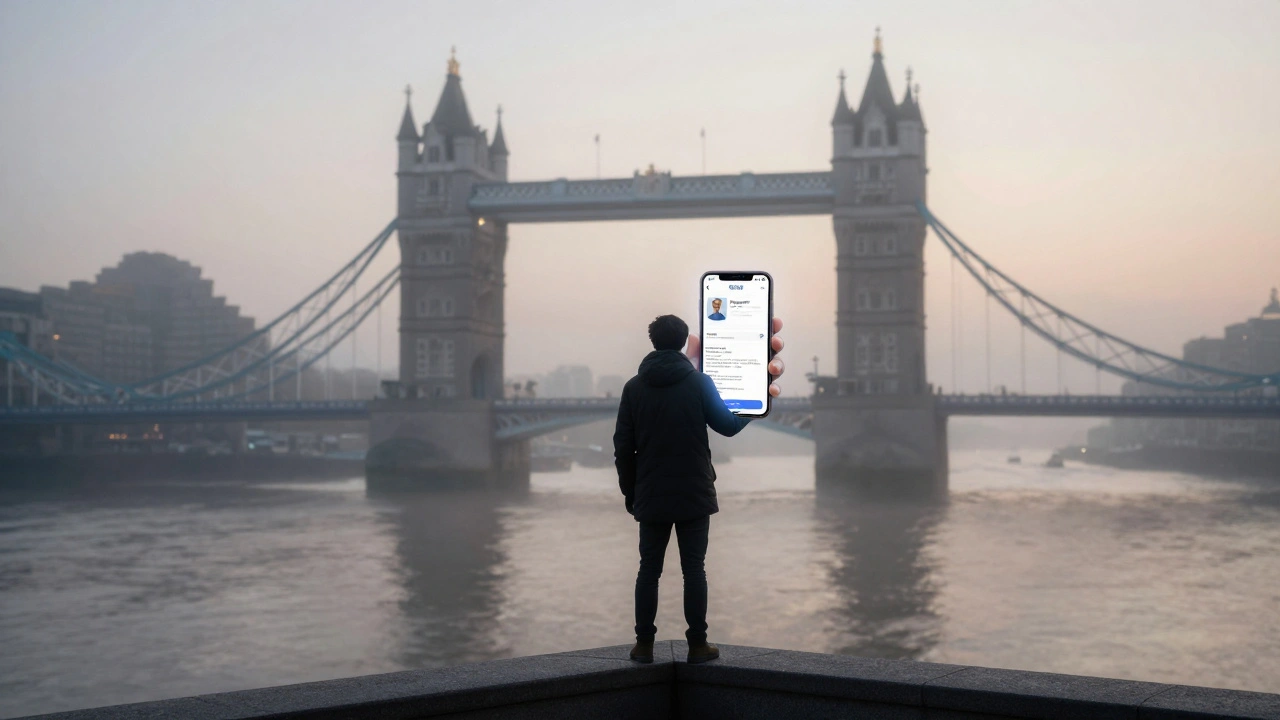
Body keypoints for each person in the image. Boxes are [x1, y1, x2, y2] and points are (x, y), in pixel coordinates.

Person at [614, 313, 785, 664]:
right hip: (693, 493)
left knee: (649, 570)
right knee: (695, 570)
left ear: (653, 341)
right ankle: (697, 645)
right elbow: (726, 427)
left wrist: (631, 493)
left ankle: (644, 645)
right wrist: (756, 409)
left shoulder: (633, 388)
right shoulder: (699, 383)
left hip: (651, 493)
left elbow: (622, 447)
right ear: (681, 342)